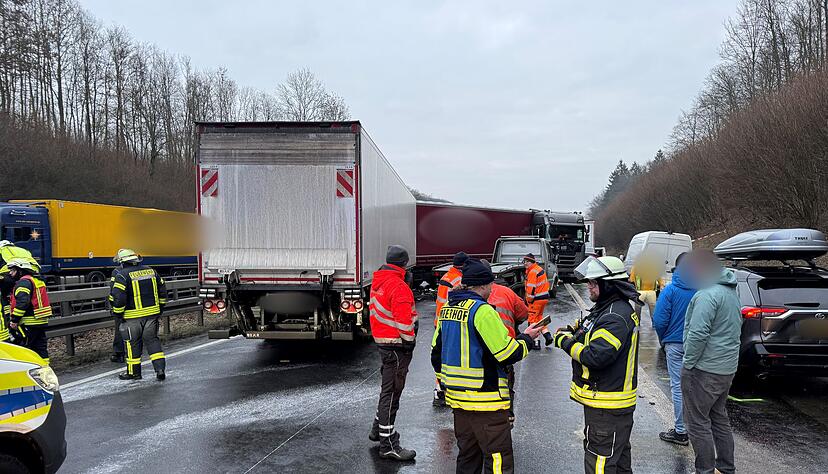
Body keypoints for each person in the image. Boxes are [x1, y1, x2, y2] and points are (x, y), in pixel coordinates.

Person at [431, 258, 542, 474]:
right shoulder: (483, 311)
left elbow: (436, 354)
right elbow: (507, 353)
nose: (492, 289)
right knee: (498, 459)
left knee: (467, 457)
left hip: (458, 403)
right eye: (491, 285)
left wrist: (447, 383)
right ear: (482, 285)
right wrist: (527, 339)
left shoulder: (447, 310)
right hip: (487, 402)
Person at [552, 256, 641, 474]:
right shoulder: (606, 309)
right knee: (617, 461)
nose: (589, 287)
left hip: (607, 405)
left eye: (593, 283)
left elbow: (596, 356)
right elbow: (588, 329)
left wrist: (564, 341)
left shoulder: (615, 316)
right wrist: (573, 331)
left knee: (600, 463)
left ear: (608, 284)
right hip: (606, 405)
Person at [681, 250, 742, 474]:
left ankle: (705, 470)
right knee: (718, 418)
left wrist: (688, 364)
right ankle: (726, 468)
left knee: (697, 423)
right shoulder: (730, 292)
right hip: (725, 369)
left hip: (704, 370)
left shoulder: (707, 294)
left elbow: (698, 333)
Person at [368, 245, 418, 461]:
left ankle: (377, 430)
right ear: (404, 263)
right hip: (397, 346)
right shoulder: (398, 286)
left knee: (387, 390)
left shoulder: (379, 281)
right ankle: (388, 445)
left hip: (384, 343)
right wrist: (410, 341)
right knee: (391, 394)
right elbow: (404, 320)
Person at [652, 252, 695, 446]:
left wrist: (664, 340)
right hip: (697, 345)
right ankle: (697, 428)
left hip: (675, 344)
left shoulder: (670, 291)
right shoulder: (702, 289)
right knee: (695, 387)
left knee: (678, 387)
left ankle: (680, 431)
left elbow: (659, 320)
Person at [109, 249, 168, 381]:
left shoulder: (122, 275)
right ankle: (160, 370)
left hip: (132, 317)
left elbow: (118, 297)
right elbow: (162, 290)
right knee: (153, 341)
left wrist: (118, 314)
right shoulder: (151, 271)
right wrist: (160, 308)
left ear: (122, 262)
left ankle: (134, 373)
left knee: (132, 344)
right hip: (152, 315)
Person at [488, 281, 529, 425]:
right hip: (506, 346)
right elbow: (524, 313)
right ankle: (508, 415)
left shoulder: (468, 295)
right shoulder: (507, 292)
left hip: (478, 350)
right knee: (505, 381)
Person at [434, 251, 468, 407]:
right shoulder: (458, 280)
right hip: (449, 322)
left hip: (440, 322)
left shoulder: (447, 276)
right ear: (462, 266)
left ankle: (439, 389)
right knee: (450, 358)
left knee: (441, 357)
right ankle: (443, 389)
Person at [7, 258, 52, 361]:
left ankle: (27, 372)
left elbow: (23, 303)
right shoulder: (36, 280)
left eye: (13, 271)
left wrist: (14, 320)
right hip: (40, 321)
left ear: (20, 270)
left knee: (25, 349)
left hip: (28, 322)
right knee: (40, 348)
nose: (10, 273)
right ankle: (44, 369)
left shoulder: (23, 283)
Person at [0, 241, 40, 344]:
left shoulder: (3, 251)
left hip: (10, 274)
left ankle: (9, 320)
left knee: (4, 298)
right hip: (29, 273)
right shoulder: (22, 250)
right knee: (18, 294)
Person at [523, 253, 553, 346]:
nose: (525, 263)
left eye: (527, 261)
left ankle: (536, 342)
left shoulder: (532, 272)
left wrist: (529, 300)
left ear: (532, 262)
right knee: (538, 318)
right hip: (543, 298)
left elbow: (531, 289)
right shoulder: (538, 269)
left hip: (536, 299)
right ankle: (547, 336)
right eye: (524, 261)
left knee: (532, 320)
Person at [629, 252, 664, 319]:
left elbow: (631, 280)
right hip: (650, 291)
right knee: (652, 308)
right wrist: (662, 285)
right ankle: (653, 324)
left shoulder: (636, 267)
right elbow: (660, 279)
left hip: (641, 291)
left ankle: (638, 322)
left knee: (638, 308)